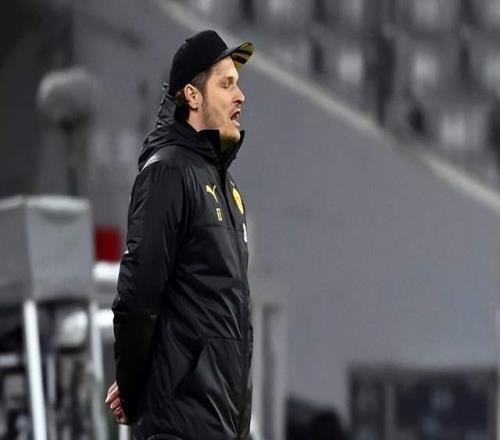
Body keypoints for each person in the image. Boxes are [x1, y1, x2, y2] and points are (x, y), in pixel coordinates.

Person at [105, 30, 255, 440]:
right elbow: (137, 296)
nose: (240, 96)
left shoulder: (225, 187)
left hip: (221, 426)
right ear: (192, 95)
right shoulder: (168, 172)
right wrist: (134, 389)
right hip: (180, 426)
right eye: (226, 84)